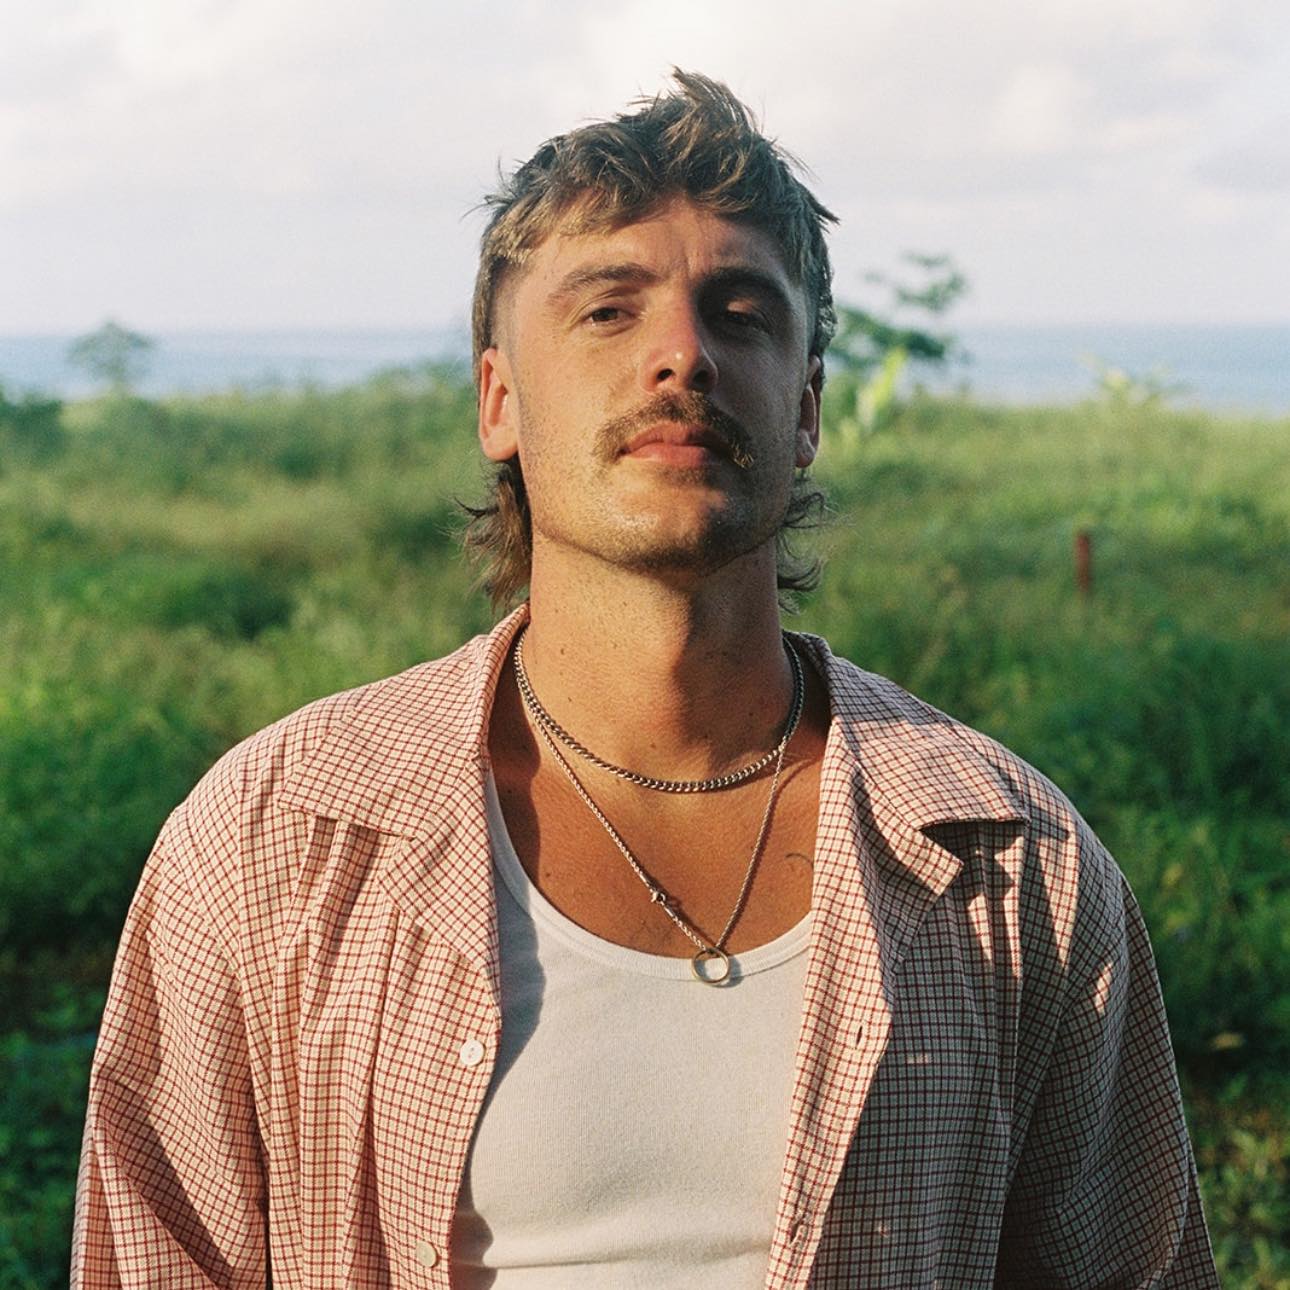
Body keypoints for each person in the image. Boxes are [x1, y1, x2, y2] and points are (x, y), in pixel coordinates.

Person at [73, 71, 1218, 1288]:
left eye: (740, 314)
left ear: (808, 406)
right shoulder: (276, 836)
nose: (682, 357)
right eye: (609, 311)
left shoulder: (1008, 861)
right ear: (499, 401)